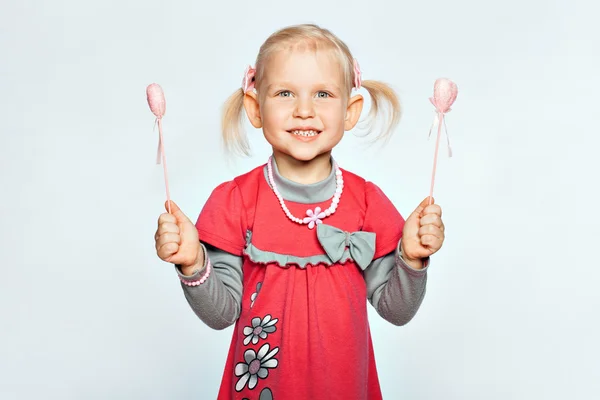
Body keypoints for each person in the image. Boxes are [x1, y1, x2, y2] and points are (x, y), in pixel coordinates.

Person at [154, 23, 445, 400]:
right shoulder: (236, 200)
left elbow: (397, 310)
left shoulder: (367, 201)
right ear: (255, 108)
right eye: (285, 93)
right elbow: (221, 314)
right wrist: (193, 263)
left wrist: (413, 258)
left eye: (323, 94)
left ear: (350, 111)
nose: (304, 111)